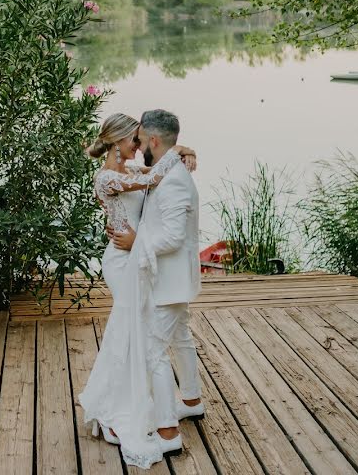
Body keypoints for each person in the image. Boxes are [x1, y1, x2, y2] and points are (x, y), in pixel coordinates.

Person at [78, 112, 197, 469]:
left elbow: (153, 174)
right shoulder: (108, 177)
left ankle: (133, 402)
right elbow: (154, 178)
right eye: (135, 140)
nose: (139, 146)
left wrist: (180, 150)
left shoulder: (129, 171)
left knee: (134, 331)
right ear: (118, 142)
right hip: (121, 258)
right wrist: (178, 152)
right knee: (132, 330)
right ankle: (125, 405)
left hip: (134, 254)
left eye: (142, 140)